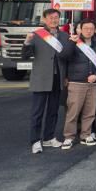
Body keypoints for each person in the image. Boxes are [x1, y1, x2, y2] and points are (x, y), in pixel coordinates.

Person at [22, 8, 69, 154]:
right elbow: (25, 55)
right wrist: (27, 42)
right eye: (50, 17)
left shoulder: (64, 35)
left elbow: (67, 58)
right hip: (41, 78)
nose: (54, 20)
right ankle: (35, 140)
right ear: (44, 19)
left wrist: (66, 76)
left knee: (53, 110)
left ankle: (49, 137)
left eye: (56, 17)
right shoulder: (36, 35)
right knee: (38, 111)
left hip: (58, 77)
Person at [59, 19, 96, 150]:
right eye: (86, 28)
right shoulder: (74, 42)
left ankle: (86, 134)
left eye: (91, 28)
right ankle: (69, 137)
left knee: (90, 112)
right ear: (80, 29)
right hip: (76, 82)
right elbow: (63, 56)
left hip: (93, 83)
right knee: (73, 112)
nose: (88, 31)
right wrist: (71, 43)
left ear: (95, 30)